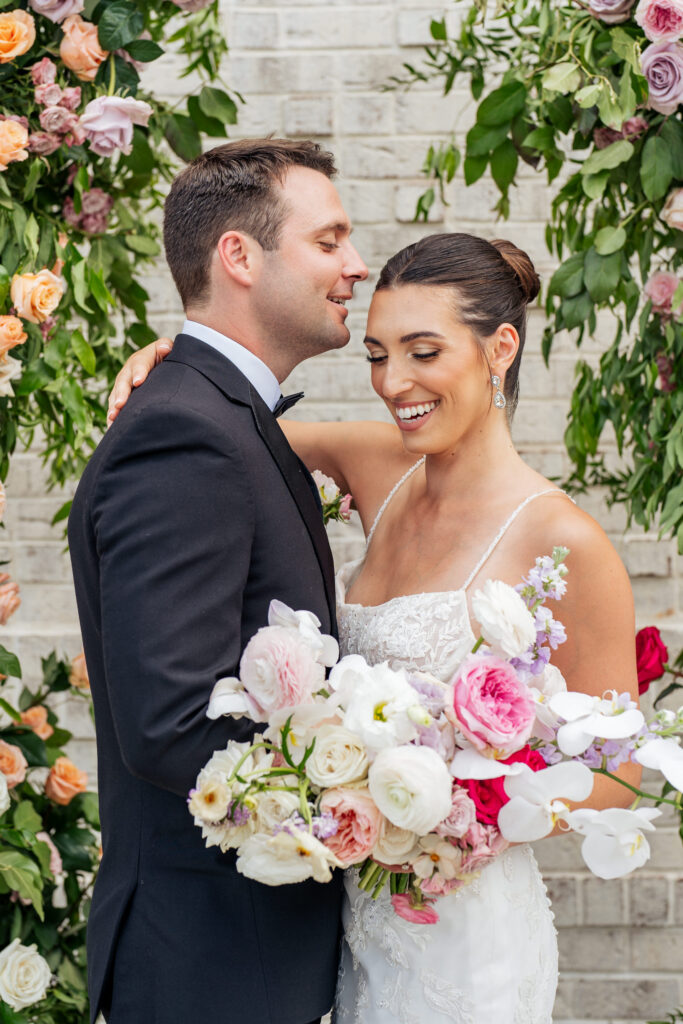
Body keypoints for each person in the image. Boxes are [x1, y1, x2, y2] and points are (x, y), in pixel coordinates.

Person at [108, 232, 640, 1022]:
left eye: (423, 352)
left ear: (500, 349)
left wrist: (463, 805)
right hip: (352, 915)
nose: (394, 383)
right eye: (377, 355)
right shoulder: (377, 466)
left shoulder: (562, 540)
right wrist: (167, 368)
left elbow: (615, 769)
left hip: (464, 932)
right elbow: (212, 432)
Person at [67, 138, 368, 1024]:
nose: (354, 266)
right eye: (329, 241)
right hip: (209, 966)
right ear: (238, 255)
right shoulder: (186, 436)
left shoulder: (215, 415)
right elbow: (167, 725)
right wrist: (374, 795)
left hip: (242, 956)